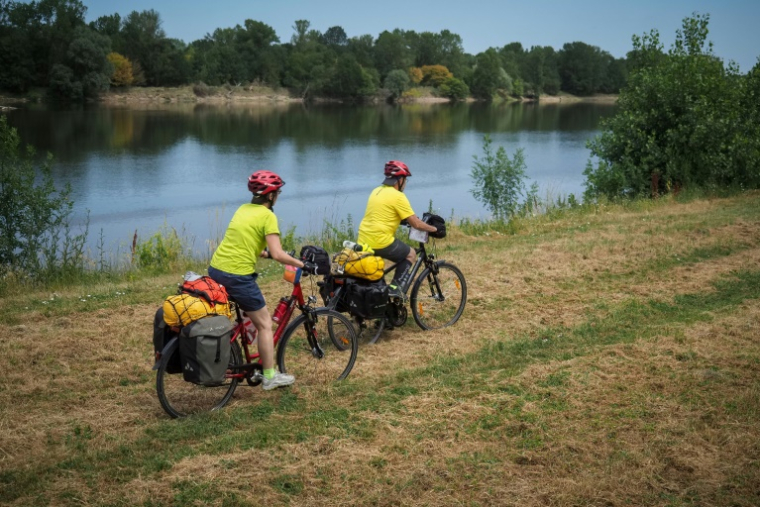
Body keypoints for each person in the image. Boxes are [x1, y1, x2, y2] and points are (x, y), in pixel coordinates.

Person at [208, 170, 318, 390]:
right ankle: (269, 376)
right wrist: (302, 264)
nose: (278, 196)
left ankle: (252, 361)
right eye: (277, 193)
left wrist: (265, 254)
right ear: (270, 196)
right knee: (265, 324)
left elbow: (248, 244)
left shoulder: (243, 209)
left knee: (251, 315)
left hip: (216, 270)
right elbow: (279, 254)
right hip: (237, 276)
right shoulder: (268, 216)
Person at [356, 160, 438, 299]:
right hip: (380, 241)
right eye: (405, 180)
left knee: (377, 273)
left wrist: (402, 219)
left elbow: (384, 213)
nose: (405, 184)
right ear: (400, 180)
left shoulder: (376, 191)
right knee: (410, 254)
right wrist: (434, 229)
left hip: (363, 240)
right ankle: (396, 288)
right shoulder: (398, 196)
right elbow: (416, 224)